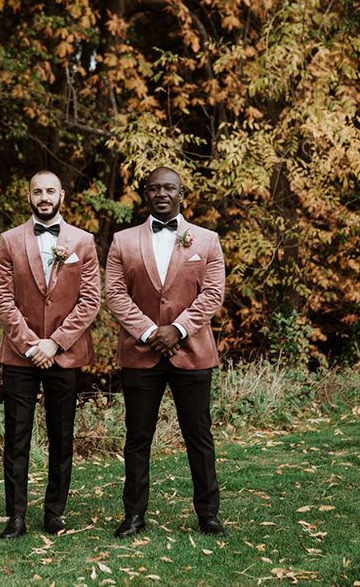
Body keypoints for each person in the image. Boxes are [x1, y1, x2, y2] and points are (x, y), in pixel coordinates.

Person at [105, 166, 226, 537]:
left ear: (181, 193)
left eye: (169, 188)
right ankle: (134, 515)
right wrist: (147, 332)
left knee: (199, 436)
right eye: (154, 188)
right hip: (141, 355)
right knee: (138, 438)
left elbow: (213, 293)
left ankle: (208, 514)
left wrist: (177, 329)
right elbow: (115, 294)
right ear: (146, 194)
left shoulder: (206, 240)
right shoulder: (123, 241)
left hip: (192, 353)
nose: (162, 194)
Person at [0, 170, 101, 538]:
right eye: (37, 191)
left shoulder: (82, 241)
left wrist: (54, 342)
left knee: (61, 434)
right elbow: (2, 299)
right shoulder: (9, 240)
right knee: (16, 436)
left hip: (65, 354)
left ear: (62, 196)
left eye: (50, 191)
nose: (43, 197)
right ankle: (16, 517)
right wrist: (30, 344)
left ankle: (54, 512)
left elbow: (90, 301)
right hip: (20, 355)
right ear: (28, 196)